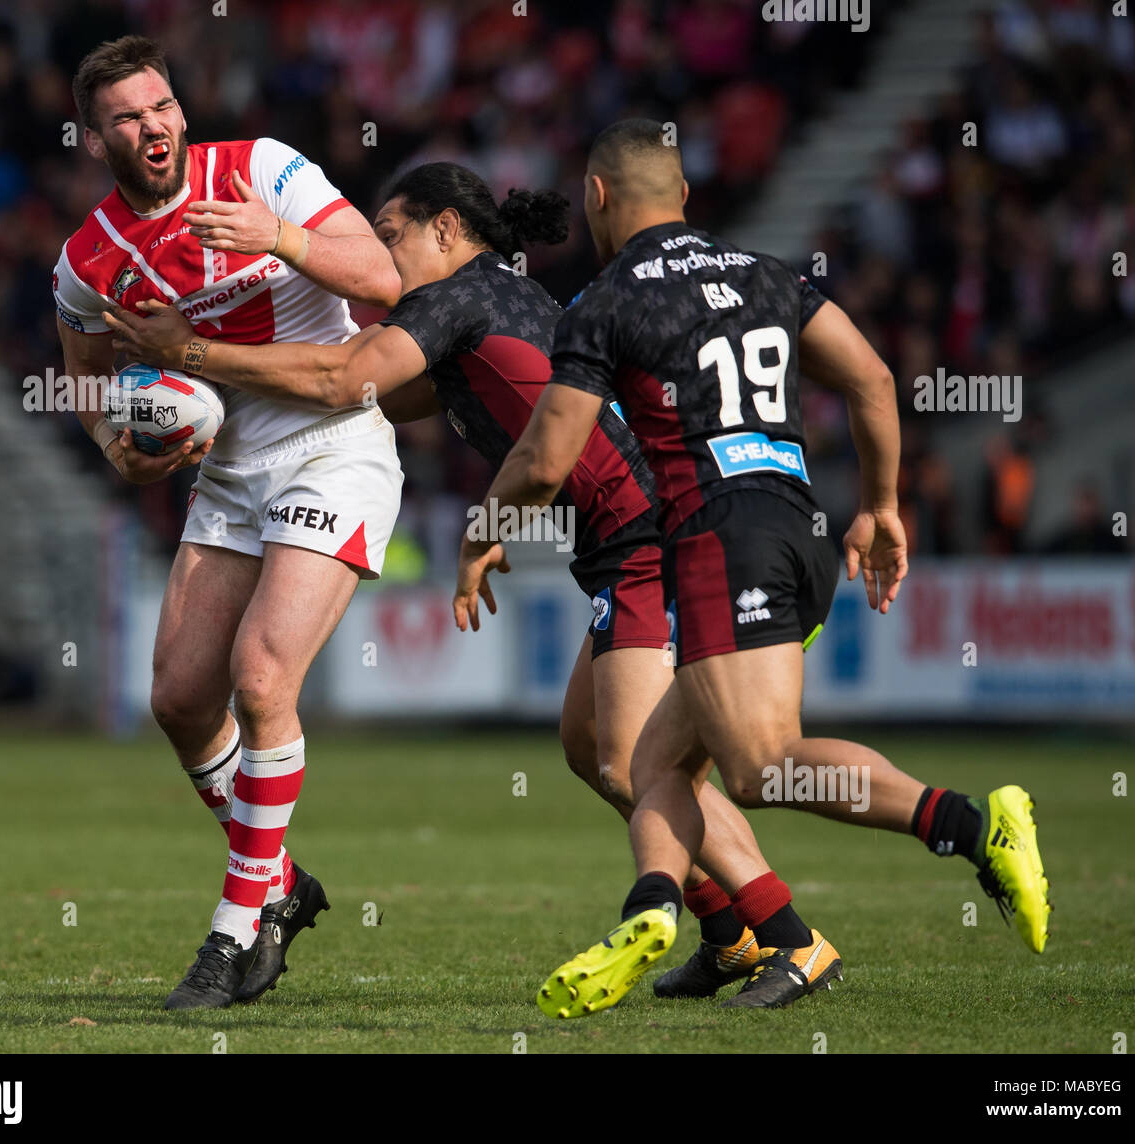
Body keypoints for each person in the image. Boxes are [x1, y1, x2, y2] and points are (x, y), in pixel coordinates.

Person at [106, 160, 830, 1001]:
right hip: (625, 539)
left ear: (445, 230)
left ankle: (791, 937)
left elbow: (345, 381)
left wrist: (186, 351)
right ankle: (727, 931)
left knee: (636, 760)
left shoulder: (453, 297)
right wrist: (209, 409)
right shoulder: (487, 301)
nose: (381, 257)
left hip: (650, 537)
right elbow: (359, 397)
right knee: (591, 747)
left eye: (390, 235)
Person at [453, 119, 1051, 1018]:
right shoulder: (771, 275)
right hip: (799, 527)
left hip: (715, 540)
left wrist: (484, 530)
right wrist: (882, 507)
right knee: (650, 767)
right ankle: (665, 912)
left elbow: (545, 457)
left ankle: (972, 826)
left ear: (598, 198)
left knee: (762, 768)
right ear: (686, 196)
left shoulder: (605, 304)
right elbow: (875, 381)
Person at [54, 35, 404, 1009]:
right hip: (232, 475)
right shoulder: (86, 262)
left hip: (335, 447)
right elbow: (84, 390)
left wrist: (281, 240)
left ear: (181, 110)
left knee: (261, 677)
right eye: (125, 116)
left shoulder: (260, 172)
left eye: (160, 106)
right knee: (177, 699)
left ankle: (234, 927)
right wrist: (117, 448)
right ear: (94, 139)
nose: (150, 125)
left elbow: (380, 281)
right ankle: (284, 880)